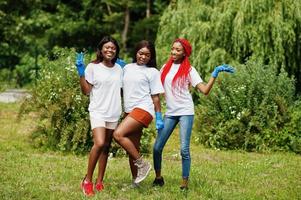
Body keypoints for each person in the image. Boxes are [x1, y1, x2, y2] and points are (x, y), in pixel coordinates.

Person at [152, 38, 234, 190]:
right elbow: (154, 84)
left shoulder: (189, 70)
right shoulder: (165, 67)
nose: (173, 52)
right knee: (157, 147)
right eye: (173, 49)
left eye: (178, 50)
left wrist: (214, 74)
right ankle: (158, 178)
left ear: (184, 53)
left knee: (184, 149)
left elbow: (205, 91)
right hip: (170, 112)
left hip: (185, 112)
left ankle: (184, 183)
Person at [75, 36, 123, 197]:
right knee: (99, 142)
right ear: (101, 50)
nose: (110, 50)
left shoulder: (119, 69)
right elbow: (86, 91)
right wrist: (81, 73)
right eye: (107, 47)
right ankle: (87, 180)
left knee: (106, 146)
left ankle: (100, 181)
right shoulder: (93, 67)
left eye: (113, 48)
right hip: (98, 111)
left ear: (116, 51)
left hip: (114, 111)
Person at [113, 40, 165, 185]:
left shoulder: (152, 72)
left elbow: (155, 96)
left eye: (147, 55)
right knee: (133, 149)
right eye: (140, 53)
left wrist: (159, 116)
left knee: (118, 134)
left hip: (143, 109)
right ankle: (135, 182)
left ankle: (143, 165)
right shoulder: (127, 68)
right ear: (136, 53)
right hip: (129, 111)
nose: (143, 57)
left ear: (151, 57)